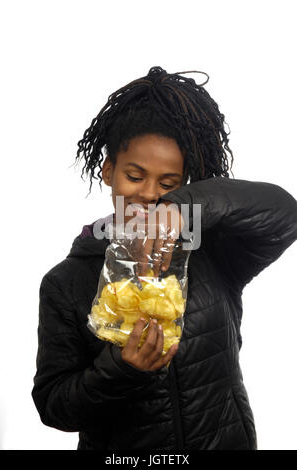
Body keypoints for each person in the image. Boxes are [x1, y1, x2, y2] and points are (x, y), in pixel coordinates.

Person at [32, 66, 297, 450]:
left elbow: (285, 214)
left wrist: (183, 207)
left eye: (168, 184)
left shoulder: (212, 254)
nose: (149, 194)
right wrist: (121, 370)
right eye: (135, 176)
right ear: (109, 172)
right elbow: (53, 406)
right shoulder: (65, 282)